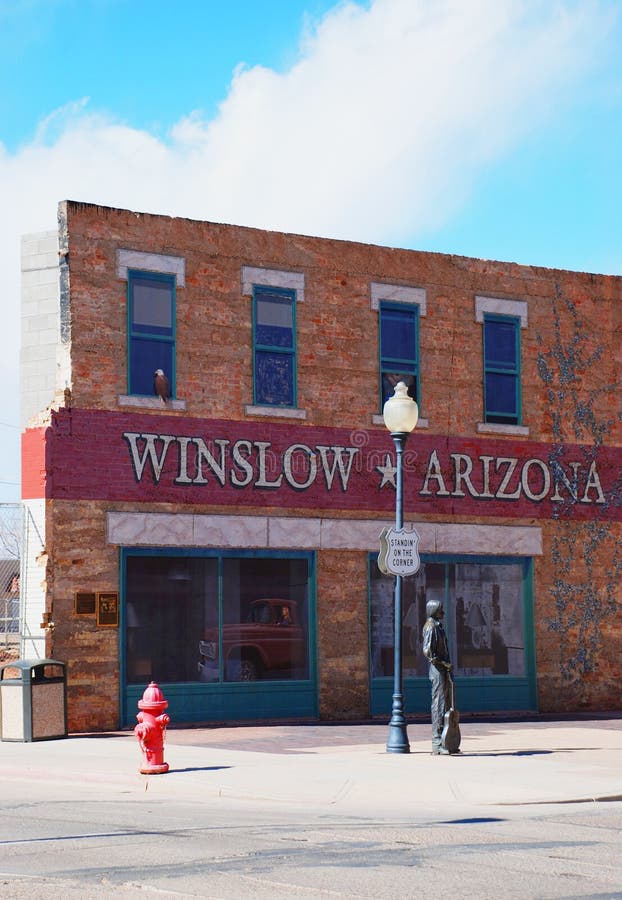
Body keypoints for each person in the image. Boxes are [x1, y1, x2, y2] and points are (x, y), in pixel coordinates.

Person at [422, 599, 452, 755]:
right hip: (438, 670)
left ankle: (446, 740)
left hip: (443, 670)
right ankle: (437, 742)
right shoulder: (431, 627)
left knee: (445, 703)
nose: (443, 612)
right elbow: (428, 652)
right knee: (439, 704)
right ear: (434, 610)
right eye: (441, 609)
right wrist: (443, 663)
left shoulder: (438, 627)